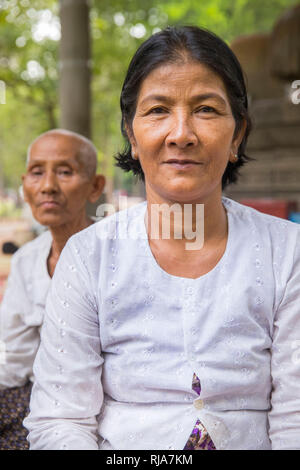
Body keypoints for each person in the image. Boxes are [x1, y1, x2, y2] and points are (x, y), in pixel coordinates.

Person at [24, 27, 300, 450]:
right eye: (157, 111)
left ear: (238, 135)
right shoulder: (89, 256)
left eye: (206, 109)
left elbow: (295, 418)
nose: (181, 133)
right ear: (132, 136)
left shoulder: (286, 253)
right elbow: (61, 418)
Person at [0, 129, 105, 449]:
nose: (47, 186)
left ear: (95, 187)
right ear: (24, 185)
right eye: (36, 173)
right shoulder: (27, 260)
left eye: (64, 172)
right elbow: (12, 358)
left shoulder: (117, 254)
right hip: (38, 396)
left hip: (96, 408)